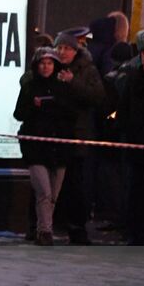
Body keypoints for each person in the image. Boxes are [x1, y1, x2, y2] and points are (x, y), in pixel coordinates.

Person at [14, 48, 77, 245]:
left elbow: (73, 115)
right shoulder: (29, 87)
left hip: (59, 148)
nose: (46, 66)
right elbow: (18, 113)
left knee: (54, 195)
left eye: (50, 63)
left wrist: (58, 105)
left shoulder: (64, 87)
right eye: (42, 63)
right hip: (36, 148)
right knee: (44, 192)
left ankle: (43, 228)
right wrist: (33, 106)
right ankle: (45, 231)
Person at [50, 31, 107, 244]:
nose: (62, 52)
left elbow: (97, 97)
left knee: (76, 183)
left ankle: (77, 228)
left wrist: (73, 82)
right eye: (59, 48)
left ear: (76, 50)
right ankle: (56, 224)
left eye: (67, 48)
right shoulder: (51, 67)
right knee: (55, 183)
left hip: (77, 135)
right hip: (55, 134)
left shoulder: (87, 70)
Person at [113, 32, 144, 244]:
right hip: (135, 139)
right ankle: (134, 230)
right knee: (135, 186)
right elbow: (124, 105)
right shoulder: (134, 75)